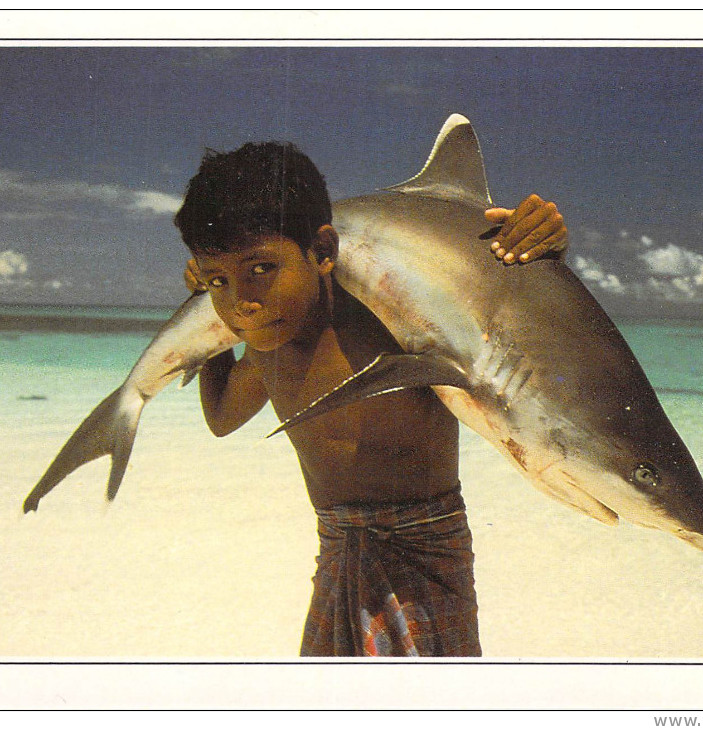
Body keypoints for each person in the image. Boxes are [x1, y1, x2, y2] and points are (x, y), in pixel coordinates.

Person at [174, 141, 567, 657]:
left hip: (424, 548)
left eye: (261, 269)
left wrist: (540, 245)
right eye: (219, 279)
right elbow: (222, 418)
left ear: (322, 251)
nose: (243, 303)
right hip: (336, 550)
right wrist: (203, 321)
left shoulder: (386, 323)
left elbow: (491, 310)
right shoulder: (267, 346)